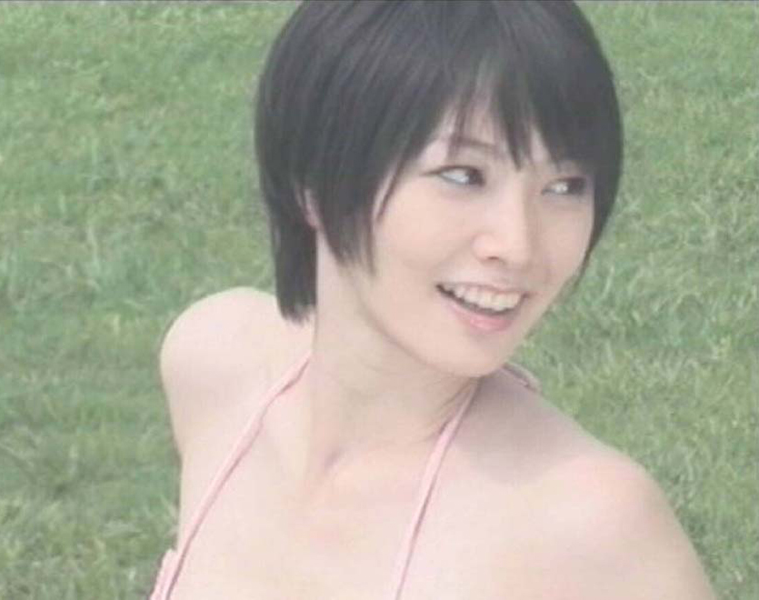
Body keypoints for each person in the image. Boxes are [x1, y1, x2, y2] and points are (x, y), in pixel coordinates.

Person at [149, 2, 717, 598]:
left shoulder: (592, 522)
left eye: (564, 186)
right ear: (312, 182)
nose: (518, 246)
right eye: (463, 175)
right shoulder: (216, 365)